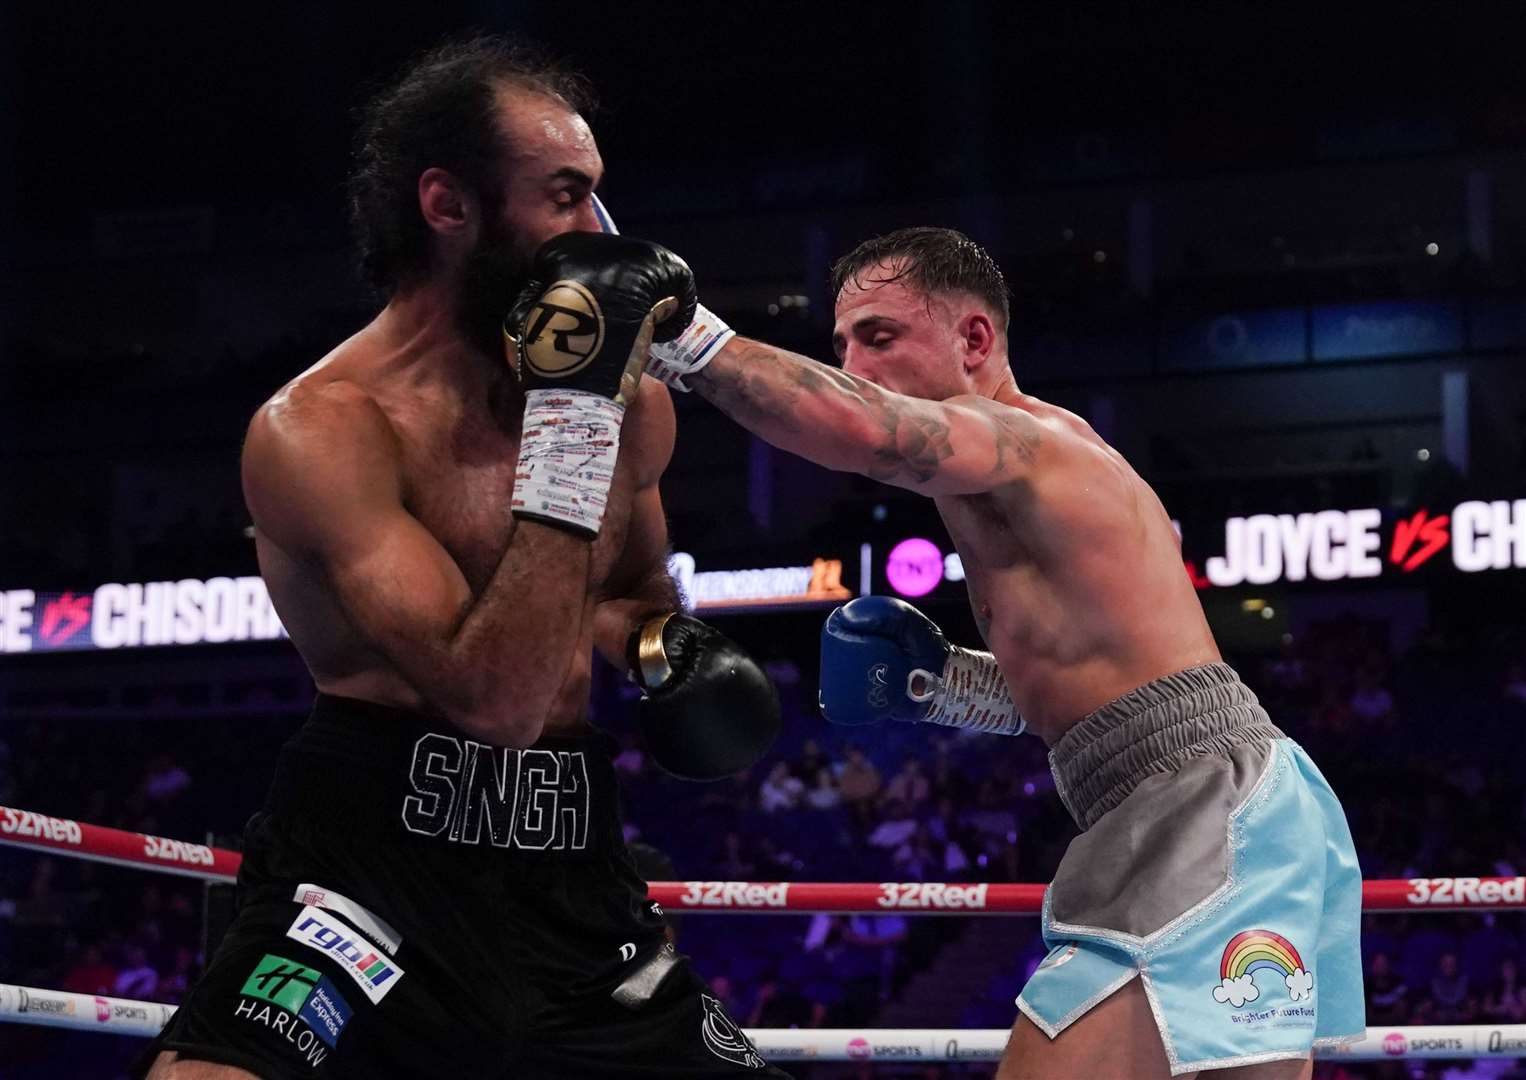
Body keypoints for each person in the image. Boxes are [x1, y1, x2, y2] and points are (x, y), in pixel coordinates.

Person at [566, 224, 1363, 1076]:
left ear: (975, 339)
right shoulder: (1009, 487)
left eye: (879, 337)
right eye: (841, 346)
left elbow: (866, 430)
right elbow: (1106, 689)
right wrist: (938, 684)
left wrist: (688, 341)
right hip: (1213, 801)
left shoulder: (1028, 445)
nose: (855, 368)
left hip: (1201, 809)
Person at [137, 36, 782, 1079]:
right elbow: (491, 699)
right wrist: (572, 420)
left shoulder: (635, 401)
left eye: (596, 199)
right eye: (563, 197)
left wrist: (664, 647)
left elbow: (622, 593)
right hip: (366, 879)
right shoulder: (324, 430)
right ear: (448, 207)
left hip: (570, 865)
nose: (598, 235)